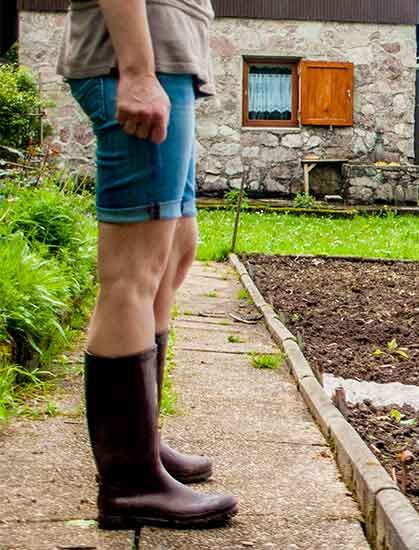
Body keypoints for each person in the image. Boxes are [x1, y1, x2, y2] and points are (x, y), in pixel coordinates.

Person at [59, 0, 237, 528]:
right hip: (136, 65)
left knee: (176, 252)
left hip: (166, 65)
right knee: (131, 274)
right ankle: (130, 484)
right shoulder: (135, 68)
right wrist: (137, 71)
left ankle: (144, 444)